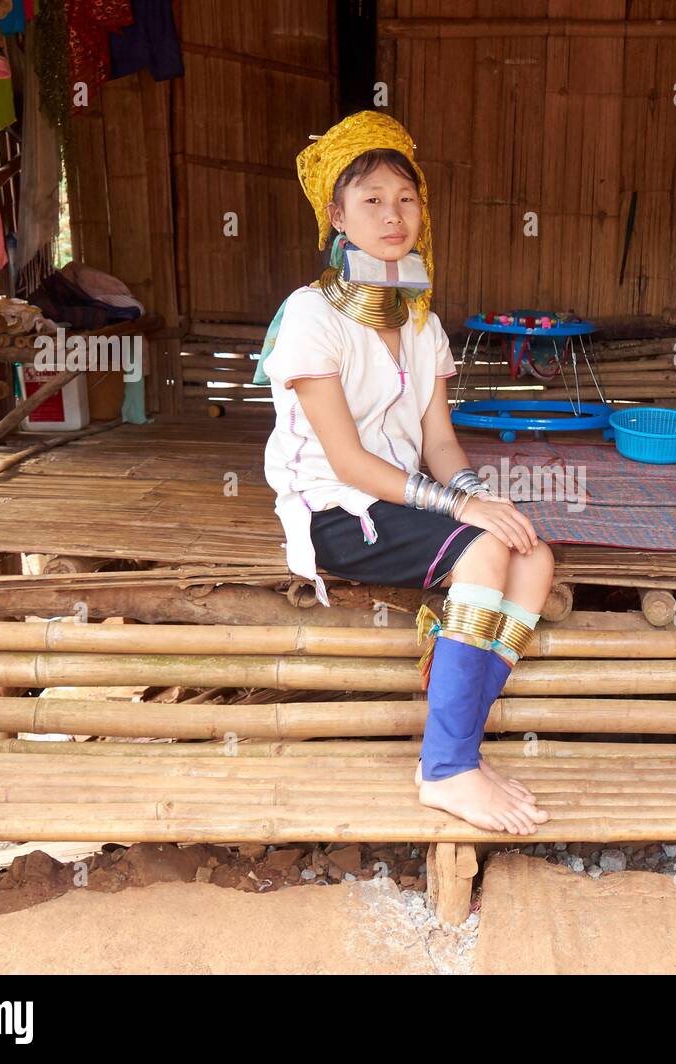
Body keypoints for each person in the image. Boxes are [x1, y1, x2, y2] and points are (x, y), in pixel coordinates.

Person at [258, 111, 553, 836]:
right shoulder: (310, 316)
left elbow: (441, 444)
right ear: (335, 216)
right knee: (483, 550)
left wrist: (480, 497)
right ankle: (447, 767)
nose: (393, 215)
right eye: (371, 200)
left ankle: (458, 732)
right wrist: (461, 516)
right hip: (335, 510)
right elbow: (350, 462)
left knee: (533, 554)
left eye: (406, 198)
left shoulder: (422, 323)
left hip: (399, 502)